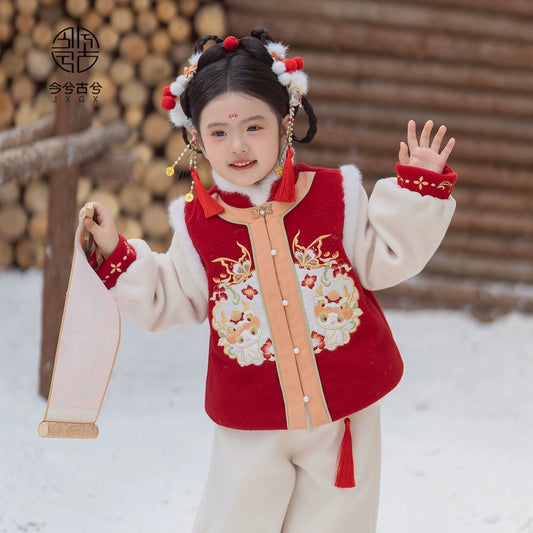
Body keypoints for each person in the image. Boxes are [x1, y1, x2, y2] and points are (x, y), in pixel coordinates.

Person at [79, 27, 457, 533]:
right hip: (250, 420)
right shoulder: (197, 225)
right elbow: (172, 295)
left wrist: (417, 191)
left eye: (254, 127)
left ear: (287, 121)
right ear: (196, 139)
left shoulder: (335, 195)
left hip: (342, 414)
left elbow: (384, 256)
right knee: (236, 520)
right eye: (218, 132)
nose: (238, 145)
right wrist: (114, 253)